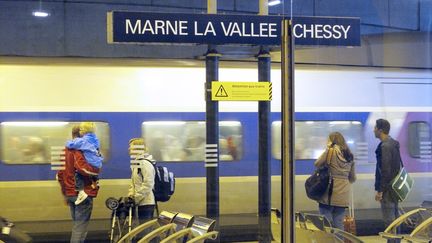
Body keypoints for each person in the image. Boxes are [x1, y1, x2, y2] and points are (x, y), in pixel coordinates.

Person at [57, 125, 100, 243]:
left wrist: (65, 194)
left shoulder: (65, 150)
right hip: (82, 193)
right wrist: (97, 169)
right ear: (82, 135)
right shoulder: (80, 150)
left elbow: (60, 174)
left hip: (70, 193)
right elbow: (83, 168)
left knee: (77, 226)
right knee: (80, 229)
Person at [314, 132, 356, 230]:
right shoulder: (350, 155)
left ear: (331, 141)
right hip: (343, 195)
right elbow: (352, 178)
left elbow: (317, 163)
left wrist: (327, 149)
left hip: (329, 193)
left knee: (326, 225)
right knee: (339, 224)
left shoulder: (330, 151)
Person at [374, 119, 401, 243]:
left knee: (389, 221)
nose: (373, 130)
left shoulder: (385, 146)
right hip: (395, 187)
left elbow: (385, 170)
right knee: (395, 219)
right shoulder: (393, 143)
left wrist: (380, 190)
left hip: (388, 189)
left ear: (380, 130)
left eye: (375, 128)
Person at [66, 122, 103, 205]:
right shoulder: (95, 139)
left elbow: (71, 144)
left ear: (83, 131)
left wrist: (67, 143)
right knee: (93, 175)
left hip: (82, 188)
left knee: (78, 175)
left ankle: (80, 191)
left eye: (81, 130)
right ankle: (95, 182)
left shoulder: (82, 142)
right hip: (96, 162)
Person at [128, 138, 156, 226]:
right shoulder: (136, 163)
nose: (129, 149)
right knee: (140, 230)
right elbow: (134, 183)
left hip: (146, 203)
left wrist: (136, 197)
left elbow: (148, 184)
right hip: (140, 202)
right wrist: (131, 195)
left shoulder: (145, 163)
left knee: (145, 231)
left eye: (132, 147)